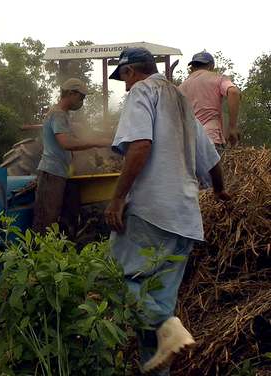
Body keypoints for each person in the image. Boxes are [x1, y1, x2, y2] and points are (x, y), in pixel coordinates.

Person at [106, 48, 231, 374]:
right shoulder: (180, 102)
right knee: (158, 309)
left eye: (123, 78)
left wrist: (118, 198)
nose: (124, 86)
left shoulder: (143, 91)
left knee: (115, 281)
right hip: (184, 221)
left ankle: (167, 324)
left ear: (131, 72)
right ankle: (161, 349)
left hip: (151, 212)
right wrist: (220, 192)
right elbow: (212, 160)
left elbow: (140, 145)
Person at [32, 78, 111, 237]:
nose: (82, 102)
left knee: (58, 220)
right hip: (51, 173)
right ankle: (38, 258)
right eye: (81, 97)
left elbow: (73, 142)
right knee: (46, 222)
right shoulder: (58, 114)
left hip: (58, 173)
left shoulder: (63, 115)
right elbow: (66, 143)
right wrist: (97, 143)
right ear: (70, 93)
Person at [179, 50, 241, 152]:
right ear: (211, 66)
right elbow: (234, 92)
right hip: (211, 138)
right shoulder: (218, 78)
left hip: (188, 144)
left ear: (192, 67)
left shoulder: (181, 87)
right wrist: (232, 127)